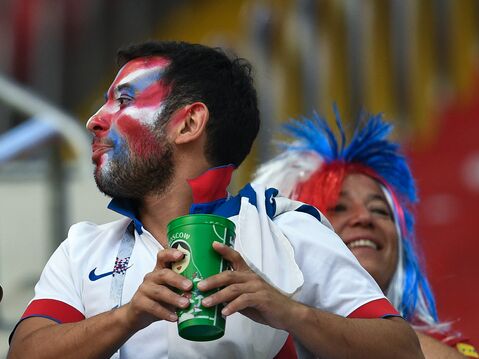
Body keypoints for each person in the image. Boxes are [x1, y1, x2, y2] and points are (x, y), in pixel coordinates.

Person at [8, 41, 422, 359]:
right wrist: (128, 317)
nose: (95, 119)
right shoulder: (83, 247)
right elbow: (25, 353)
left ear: (189, 123)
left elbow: (402, 349)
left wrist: (284, 310)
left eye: (125, 101)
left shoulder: (286, 229)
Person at [253, 107, 479, 359]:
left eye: (380, 211)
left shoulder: (444, 347)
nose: (364, 217)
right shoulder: (258, 341)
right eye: (338, 208)